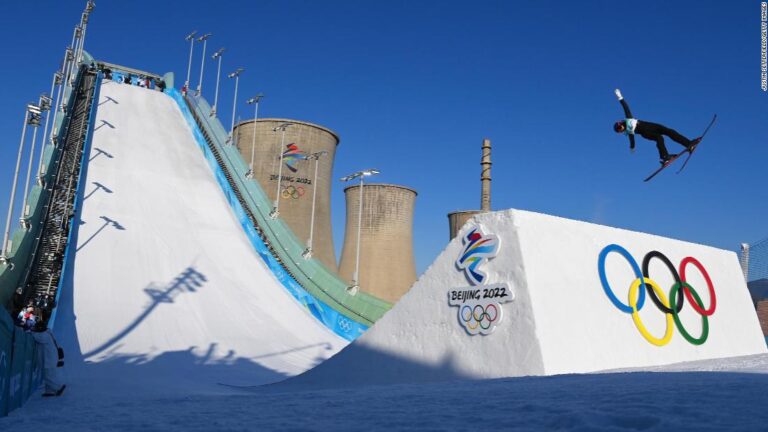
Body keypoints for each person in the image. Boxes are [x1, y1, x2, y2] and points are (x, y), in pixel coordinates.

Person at [613, 89, 701, 165]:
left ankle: (688, 144)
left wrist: (620, 96)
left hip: (650, 125)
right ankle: (665, 157)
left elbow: (625, 107)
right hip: (645, 132)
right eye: (619, 131)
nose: (621, 131)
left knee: (669, 131)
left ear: (620, 124)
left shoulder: (628, 119)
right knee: (659, 138)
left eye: (620, 129)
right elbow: (631, 139)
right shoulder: (628, 132)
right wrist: (632, 147)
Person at [30, 322, 66, 397]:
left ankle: (57, 388)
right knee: (50, 375)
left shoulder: (44, 335)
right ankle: (49, 391)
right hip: (50, 359)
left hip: (49, 360)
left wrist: (31, 332)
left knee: (48, 376)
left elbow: (37, 337)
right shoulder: (47, 333)